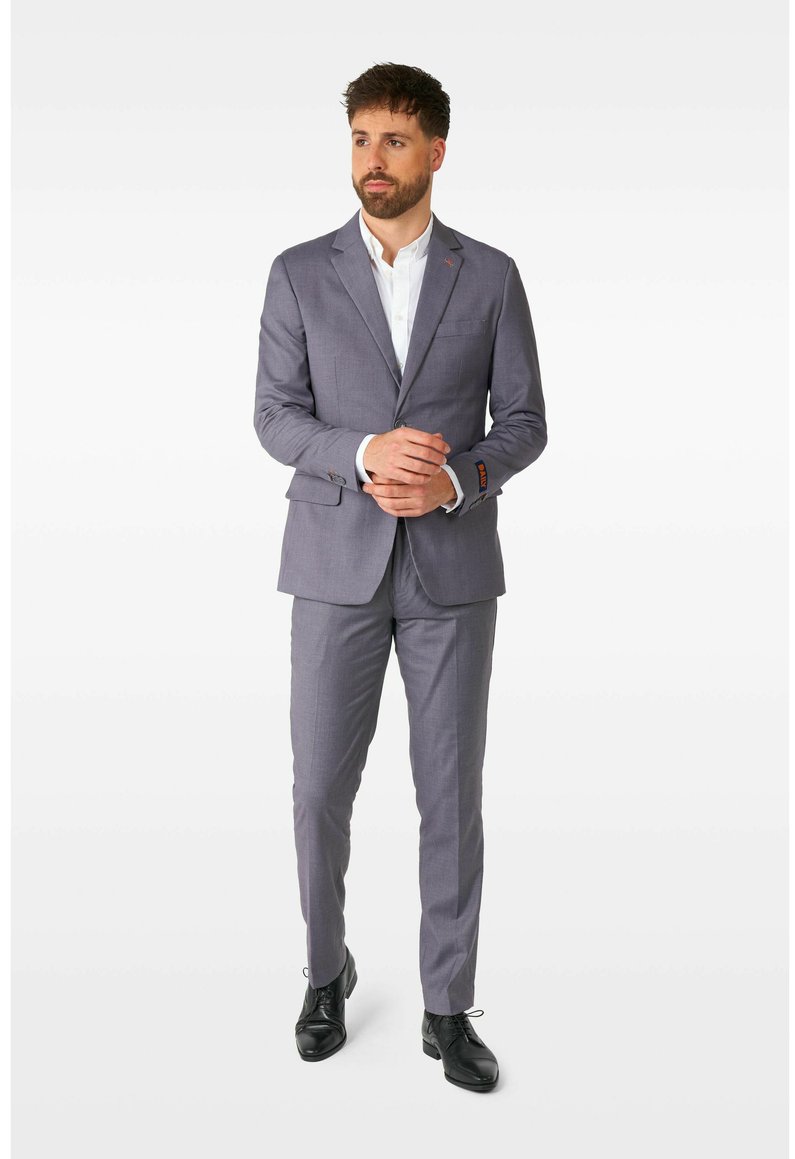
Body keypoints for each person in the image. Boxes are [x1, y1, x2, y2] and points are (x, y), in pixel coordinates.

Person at [253, 61, 547, 1093]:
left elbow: (523, 423)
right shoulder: (298, 272)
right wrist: (363, 451)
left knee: (450, 794)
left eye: (392, 140)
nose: (371, 160)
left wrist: (456, 480)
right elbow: (275, 415)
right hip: (332, 564)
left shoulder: (490, 275)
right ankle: (323, 971)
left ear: (435, 152)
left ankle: (446, 1006)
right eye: (359, 139)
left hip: (449, 572)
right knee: (317, 790)